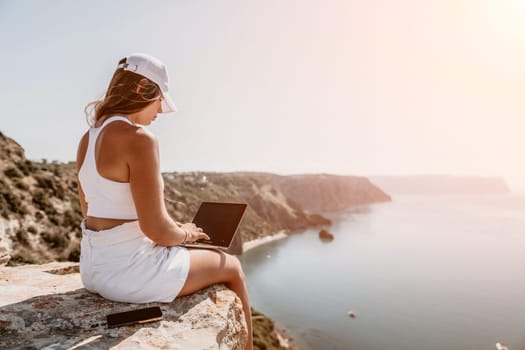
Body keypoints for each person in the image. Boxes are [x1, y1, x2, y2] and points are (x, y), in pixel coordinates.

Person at [76, 53, 253, 349]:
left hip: (93, 270)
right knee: (231, 265)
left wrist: (169, 233)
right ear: (141, 90)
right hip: (129, 276)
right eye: (159, 99)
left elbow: (90, 211)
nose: (160, 109)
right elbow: (156, 230)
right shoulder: (140, 138)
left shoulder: (88, 137)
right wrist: (186, 233)